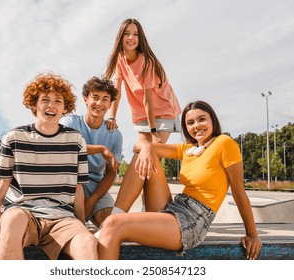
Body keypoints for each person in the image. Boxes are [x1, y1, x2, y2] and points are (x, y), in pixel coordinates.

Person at [0, 73, 98, 260]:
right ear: (34, 104)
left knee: (87, 243)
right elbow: (2, 189)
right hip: (23, 214)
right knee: (12, 219)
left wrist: (81, 226)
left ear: (65, 107)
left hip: (62, 218)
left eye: (58, 101)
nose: (51, 106)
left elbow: (78, 190)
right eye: (45, 100)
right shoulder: (14, 138)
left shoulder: (76, 141)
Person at [97, 100, 262, 260]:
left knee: (113, 225)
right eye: (190, 122)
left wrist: (252, 234)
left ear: (212, 120)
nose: (196, 126)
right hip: (176, 206)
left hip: (194, 219)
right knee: (142, 155)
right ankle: (115, 215)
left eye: (202, 119)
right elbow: (137, 147)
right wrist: (148, 145)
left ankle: (107, 226)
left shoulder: (224, 143)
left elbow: (239, 192)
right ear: (185, 127)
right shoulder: (188, 149)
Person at [104, 18, 181, 144]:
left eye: (136, 34)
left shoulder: (147, 62)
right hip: (142, 115)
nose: (131, 38)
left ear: (140, 38)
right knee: (140, 159)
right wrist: (112, 117)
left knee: (152, 153)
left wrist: (153, 131)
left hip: (163, 112)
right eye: (127, 33)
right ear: (121, 36)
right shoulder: (120, 60)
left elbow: (148, 100)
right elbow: (116, 92)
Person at [61, 76, 123, 228]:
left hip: (95, 186)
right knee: (70, 226)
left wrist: (93, 200)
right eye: (95, 97)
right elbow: (69, 148)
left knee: (114, 224)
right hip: (68, 184)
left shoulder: (115, 134)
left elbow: (111, 173)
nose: (99, 103)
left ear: (110, 104)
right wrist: (101, 149)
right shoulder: (70, 122)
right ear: (86, 99)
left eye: (105, 99)